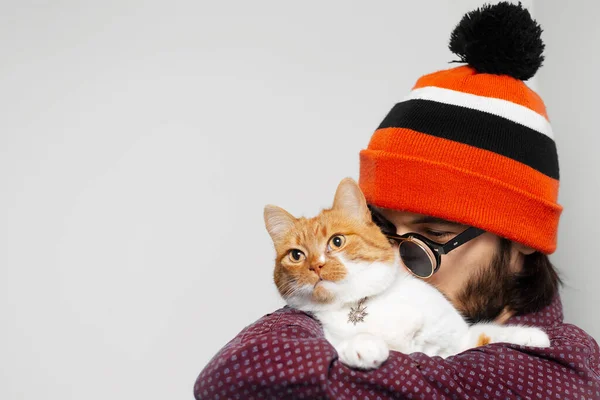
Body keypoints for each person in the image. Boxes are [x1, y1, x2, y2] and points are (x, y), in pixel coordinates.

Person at [194, 3, 600, 399]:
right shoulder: (359, 297)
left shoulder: (564, 362)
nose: (399, 261)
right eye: (384, 230)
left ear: (521, 238)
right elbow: (231, 374)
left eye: (433, 235)